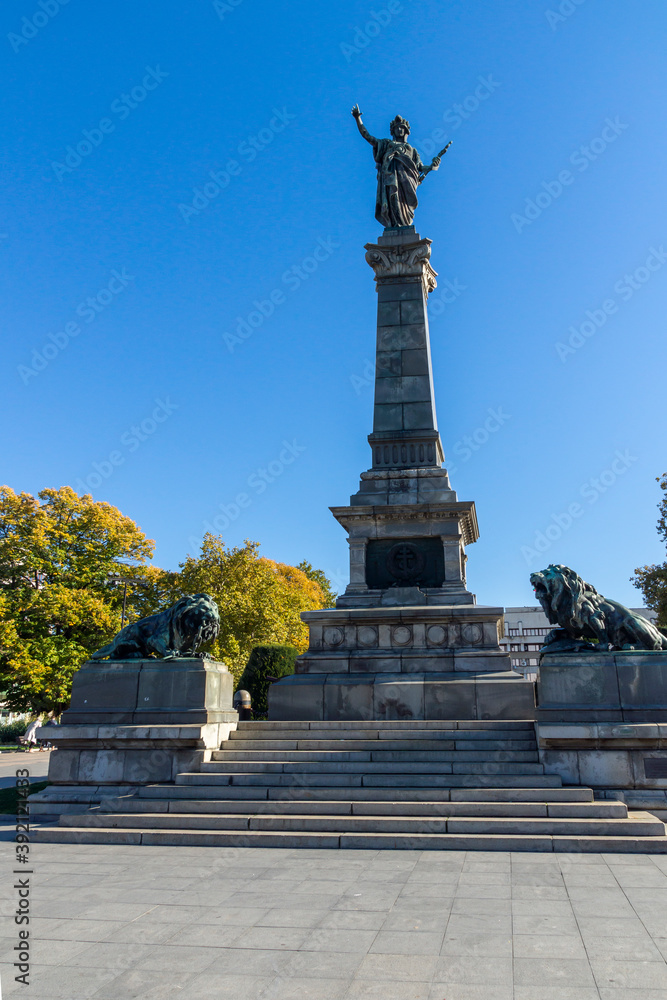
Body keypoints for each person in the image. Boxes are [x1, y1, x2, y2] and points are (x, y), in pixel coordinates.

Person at [352, 106, 443, 229]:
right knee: (392, 198)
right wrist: (358, 118)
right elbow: (368, 136)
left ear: (406, 131)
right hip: (391, 178)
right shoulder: (387, 144)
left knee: (404, 204)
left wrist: (433, 166)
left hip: (407, 181)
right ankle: (395, 224)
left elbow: (421, 167)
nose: (399, 130)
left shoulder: (412, 150)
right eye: (397, 128)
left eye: (402, 128)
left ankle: (403, 224)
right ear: (393, 131)